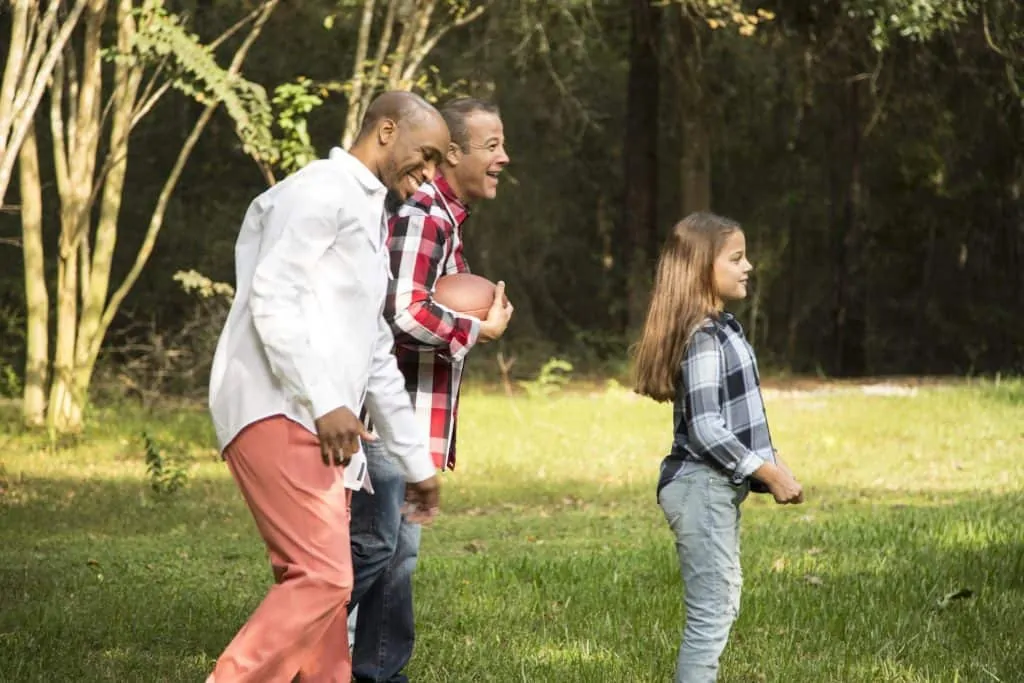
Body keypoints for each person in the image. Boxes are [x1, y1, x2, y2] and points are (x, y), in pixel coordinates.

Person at [205, 91, 450, 683]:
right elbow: (272, 296)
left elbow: (375, 356)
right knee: (324, 579)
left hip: (317, 422)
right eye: (428, 154)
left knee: (324, 614)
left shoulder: (369, 212)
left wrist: (418, 465)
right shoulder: (319, 190)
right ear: (387, 130)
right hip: (276, 406)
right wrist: (326, 401)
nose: (432, 172)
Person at [347, 97, 514, 683]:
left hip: (410, 423)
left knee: (396, 558)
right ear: (452, 156)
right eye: (491, 146)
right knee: (373, 551)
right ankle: (300, 645)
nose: (504, 157)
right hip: (388, 421)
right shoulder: (426, 214)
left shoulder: (446, 220)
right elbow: (401, 314)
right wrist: (477, 328)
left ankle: (378, 672)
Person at [632, 212, 805, 683]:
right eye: (736, 258)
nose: (748, 266)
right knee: (712, 611)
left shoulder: (721, 327)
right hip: (699, 486)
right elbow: (707, 428)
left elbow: (738, 415)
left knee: (722, 601)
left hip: (708, 487)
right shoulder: (705, 336)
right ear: (700, 268)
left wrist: (774, 460)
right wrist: (766, 473)